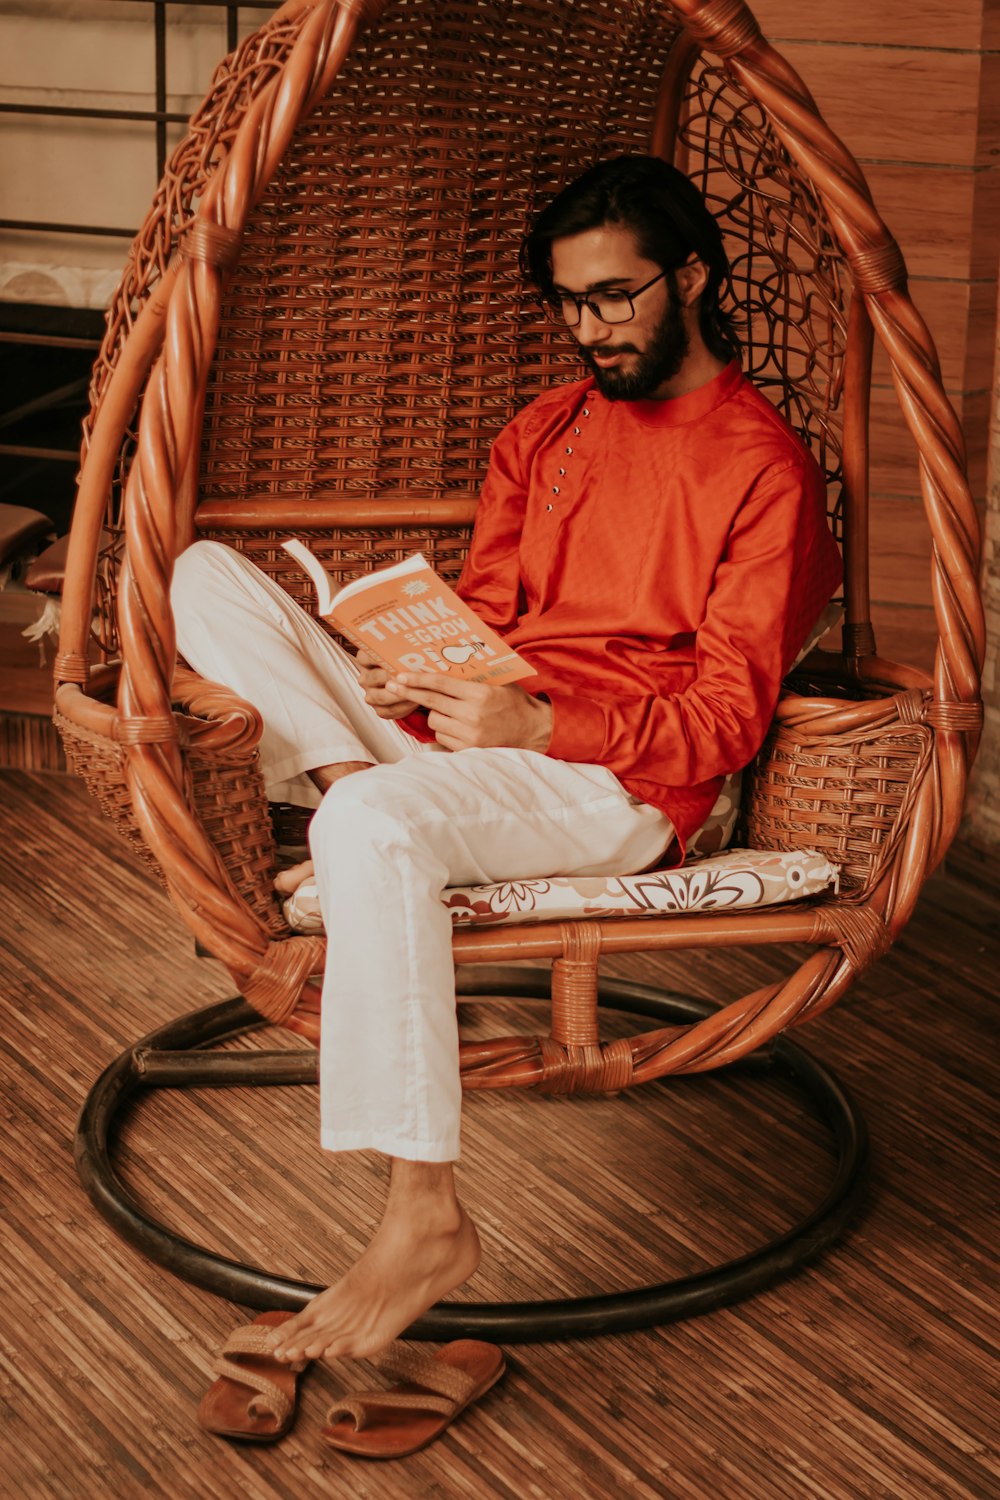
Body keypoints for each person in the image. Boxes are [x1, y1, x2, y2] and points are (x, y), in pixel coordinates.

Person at [171, 154, 842, 1366]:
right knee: (202, 579)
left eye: (615, 296)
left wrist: (545, 727)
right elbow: (484, 616)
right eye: (569, 303)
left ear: (690, 275)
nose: (590, 329)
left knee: (379, 830)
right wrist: (407, 671)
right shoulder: (544, 432)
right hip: (470, 742)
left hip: (609, 784)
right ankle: (353, 792)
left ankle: (422, 1215)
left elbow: (726, 723)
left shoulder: (761, 468)